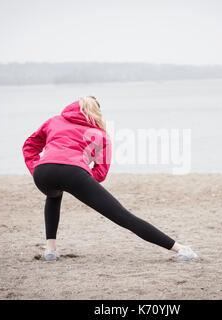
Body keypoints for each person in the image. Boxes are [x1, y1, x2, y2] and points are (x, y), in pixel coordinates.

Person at [22, 96, 198, 262]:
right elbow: (100, 172)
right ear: (96, 112)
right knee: (122, 216)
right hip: (74, 173)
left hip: (43, 173)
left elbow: (30, 146)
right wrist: (81, 176)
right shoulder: (99, 134)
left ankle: (50, 251)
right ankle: (181, 249)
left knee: (54, 195)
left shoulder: (54, 120)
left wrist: (37, 168)